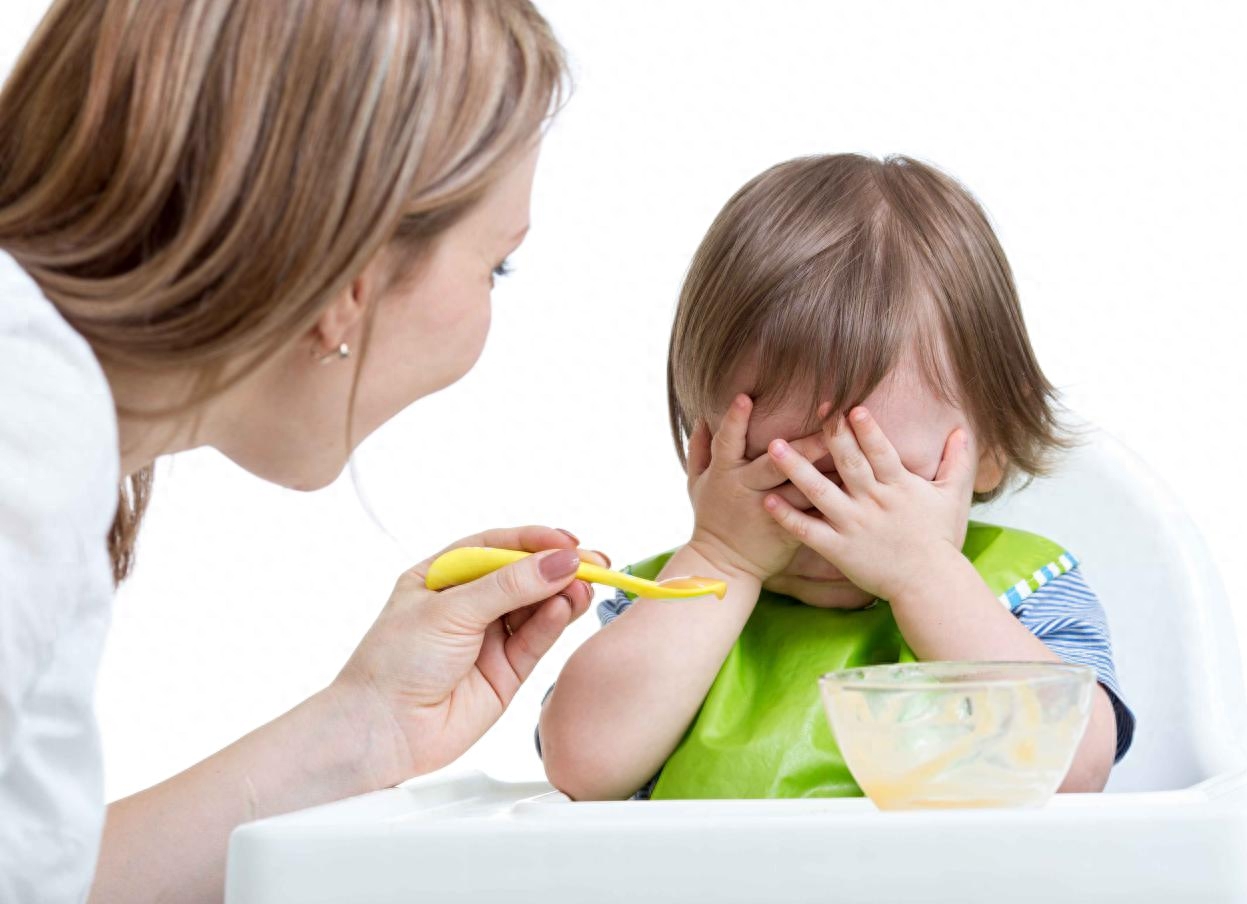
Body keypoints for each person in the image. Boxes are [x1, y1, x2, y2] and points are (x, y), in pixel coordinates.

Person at [0, 1, 598, 901]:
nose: (486, 320)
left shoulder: (45, 412)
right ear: (345, 284)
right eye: (494, 265)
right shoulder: (27, 430)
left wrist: (366, 732)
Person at [538, 153, 1136, 801]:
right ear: (703, 449)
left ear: (990, 444)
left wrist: (923, 574)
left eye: (876, 480)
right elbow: (582, 767)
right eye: (780, 474)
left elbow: (1074, 772)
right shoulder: (672, 600)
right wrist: (724, 558)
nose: (828, 523)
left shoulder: (1025, 591)